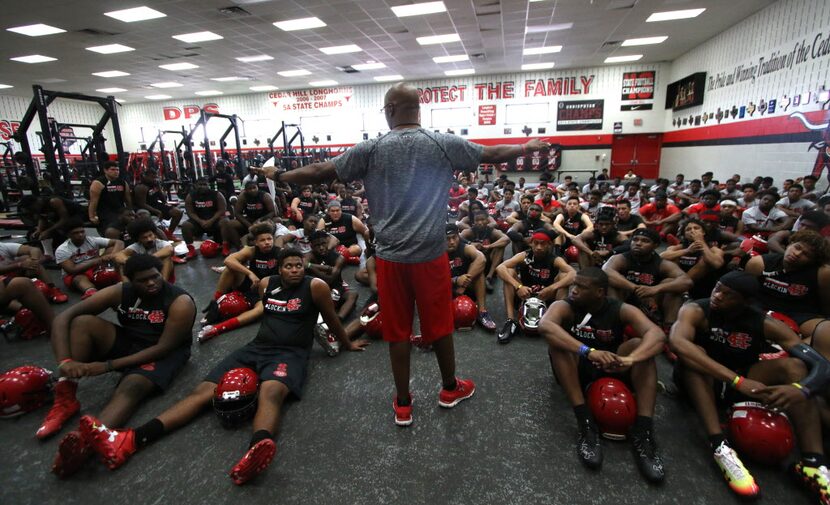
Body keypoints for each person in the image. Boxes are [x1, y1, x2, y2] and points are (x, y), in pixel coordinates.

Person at [257, 82, 552, 426]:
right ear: (417, 109)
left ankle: (403, 404)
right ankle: (448, 388)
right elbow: (492, 153)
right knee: (440, 327)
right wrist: (526, 146)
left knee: (398, 332)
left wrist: (279, 174)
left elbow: (320, 171)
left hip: (392, 260)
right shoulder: (443, 143)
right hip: (430, 258)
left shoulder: (371, 148)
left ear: (391, 110)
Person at [79, 249, 368, 485]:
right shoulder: (266, 285)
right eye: (289, 266)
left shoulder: (315, 287)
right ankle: (131, 439)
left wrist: (346, 342)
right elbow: (257, 314)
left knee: (270, 392)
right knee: (201, 393)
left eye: (298, 265)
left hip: (290, 354)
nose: (294, 270)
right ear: (279, 268)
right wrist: (219, 324)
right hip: (254, 348)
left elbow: (331, 319)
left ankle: (257, 448)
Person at [669, 271, 830, 502]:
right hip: (704, 382)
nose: (717, 296)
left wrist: (800, 388)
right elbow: (677, 342)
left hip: (744, 381)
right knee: (694, 356)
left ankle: (813, 464)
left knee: (795, 367)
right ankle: (719, 446)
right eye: (717, 288)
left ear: (744, 301)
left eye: (728, 294)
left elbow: (822, 365)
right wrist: (736, 381)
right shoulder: (696, 309)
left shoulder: (764, 322)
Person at [44, 254, 196, 477]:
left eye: (155, 277)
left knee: (131, 385)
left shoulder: (180, 302)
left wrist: (107, 366)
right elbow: (62, 318)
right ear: (131, 280)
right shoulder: (121, 291)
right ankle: (66, 394)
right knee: (82, 322)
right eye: (143, 280)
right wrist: (65, 362)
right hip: (131, 341)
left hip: (164, 353)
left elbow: (163, 348)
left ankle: (84, 443)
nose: (151, 283)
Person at [542, 268, 665, 482]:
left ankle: (644, 432)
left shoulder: (620, 309)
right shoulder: (564, 305)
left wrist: (631, 359)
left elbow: (657, 335)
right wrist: (588, 351)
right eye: (574, 285)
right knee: (557, 345)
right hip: (579, 367)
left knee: (639, 346)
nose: (574, 290)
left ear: (600, 292)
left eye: (581, 287)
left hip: (612, 365)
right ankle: (585, 423)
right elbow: (545, 325)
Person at [745, 230, 830, 357]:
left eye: (806, 254)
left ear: (813, 261)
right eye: (797, 247)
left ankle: (789, 352)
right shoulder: (759, 263)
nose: (797, 254)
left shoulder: (822, 273)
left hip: (799, 313)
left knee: (826, 331)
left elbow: (826, 305)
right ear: (790, 244)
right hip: (762, 309)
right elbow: (745, 295)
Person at [200, 222, 281, 341]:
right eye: (262, 240)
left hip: (264, 291)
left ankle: (217, 328)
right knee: (229, 269)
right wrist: (250, 273)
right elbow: (228, 260)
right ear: (256, 242)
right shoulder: (251, 250)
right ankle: (214, 304)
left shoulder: (279, 252)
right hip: (249, 284)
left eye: (269, 239)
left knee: (261, 310)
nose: (267, 242)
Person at [602, 228, 692, 329]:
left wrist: (656, 289)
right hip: (626, 300)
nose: (638, 243)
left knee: (671, 283)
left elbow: (687, 281)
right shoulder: (621, 258)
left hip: (652, 303)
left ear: (655, 245)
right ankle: (616, 324)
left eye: (645, 241)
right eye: (635, 239)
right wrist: (635, 288)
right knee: (612, 282)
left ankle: (668, 328)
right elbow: (606, 271)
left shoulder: (661, 263)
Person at [496, 231, 576, 343]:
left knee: (564, 276)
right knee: (508, 271)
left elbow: (573, 274)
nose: (539, 247)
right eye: (536, 243)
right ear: (531, 243)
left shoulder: (555, 259)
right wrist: (518, 286)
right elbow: (500, 268)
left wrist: (552, 288)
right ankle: (511, 321)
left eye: (543, 244)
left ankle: (557, 323)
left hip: (546, 296)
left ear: (549, 245)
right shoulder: (524, 255)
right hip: (525, 294)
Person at [55, 217, 125, 299]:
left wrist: (113, 255)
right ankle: (91, 291)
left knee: (111, 248)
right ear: (68, 235)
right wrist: (98, 260)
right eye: (76, 233)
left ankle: (121, 282)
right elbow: (71, 270)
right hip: (77, 274)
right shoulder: (62, 249)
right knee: (79, 278)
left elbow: (119, 242)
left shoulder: (92, 240)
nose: (80, 235)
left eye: (82, 231)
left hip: (96, 269)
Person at [445, 224, 495, 331]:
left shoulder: (466, 248)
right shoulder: (436, 253)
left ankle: (482, 312)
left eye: (454, 237)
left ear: (458, 236)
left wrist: (464, 283)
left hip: (463, 288)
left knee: (479, 272)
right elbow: (433, 281)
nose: (452, 242)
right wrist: (456, 280)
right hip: (446, 288)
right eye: (447, 239)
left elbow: (481, 258)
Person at [660, 219, 725, 299]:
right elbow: (661, 257)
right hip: (677, 282)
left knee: (705, 260)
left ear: (703, 232)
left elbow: (717, 264)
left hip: (702, 286)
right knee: (671, 259)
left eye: (696, 228)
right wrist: (687, 251)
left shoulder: (713, 249)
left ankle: (682, 284)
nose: (692, 231)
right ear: (684, 234)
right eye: (688, 229)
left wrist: (700, 242)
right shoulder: (678, 247)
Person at [305, 230, 358, 320]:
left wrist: (312, 267)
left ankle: (338, 319)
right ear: (312, 246)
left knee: (353, 295)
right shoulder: (310, 255)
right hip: (316, 290)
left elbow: (330, 279)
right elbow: (303, 264)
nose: (321, 248)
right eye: (317, 245)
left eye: (323, 243)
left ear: (328, 242)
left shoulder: (339, 258)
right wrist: (326, 268)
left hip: (335, 287)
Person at [221, 181, 277, 255]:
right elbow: (237, 213)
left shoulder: (265, 195)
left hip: (264, 219)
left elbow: (273, 212)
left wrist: (260, 220)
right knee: (230, 224)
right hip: (249, 220)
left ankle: (272, 247)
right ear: (246, 190)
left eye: (254, 188)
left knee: (277, 221)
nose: (252, 190)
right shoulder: (243, 196)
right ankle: (240, 248)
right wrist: (249, 225)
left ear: (257, 187)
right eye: (249, 189)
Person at [0, 241, 66, 302]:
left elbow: (34, 249)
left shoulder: (3, 246)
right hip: (2, 280)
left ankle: (52, 289)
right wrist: (19, 265)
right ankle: (19, 307)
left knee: (30, 262)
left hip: (12, 274)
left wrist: (33, 261)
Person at [460, 211, 510, 291]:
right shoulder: (470, 231)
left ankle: (489, 277)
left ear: (487, 221)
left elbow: (506, 239)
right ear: (473, 222)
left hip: (489, 259)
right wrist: (471, 243)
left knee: (500, 247)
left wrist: (489, 246)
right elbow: (458, 237)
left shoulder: (492, 231)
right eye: (477, 220)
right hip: (475, 260)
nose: (480, 222)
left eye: (482, 219)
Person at [181, 178, 228, 259]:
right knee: (185, 225)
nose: (202, 186)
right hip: (199, 222)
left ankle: (225, 247)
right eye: (200, 184)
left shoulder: (217, 194)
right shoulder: (191, 196)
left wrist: (211, 220)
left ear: (208, 185)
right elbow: (190, 212)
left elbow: (222, 210)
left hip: (214, 221)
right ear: (195, 185)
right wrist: (200, 221)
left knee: (225, 221)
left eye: (205, 184)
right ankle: (191, 251)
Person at [133, 168, 183, 241]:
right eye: (152, 177)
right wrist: (157, 211)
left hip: (155, 204)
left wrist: (166, 203)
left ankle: (169, 234)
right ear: (145, 176)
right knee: (145, 216)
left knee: (178, 212)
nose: (154, 179)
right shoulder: (141, 187)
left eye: (155, 177)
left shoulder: (155, 184)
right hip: (144, 207)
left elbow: (161, 196)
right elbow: (142, 204)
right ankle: (152, 236)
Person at [88, 161, 132, 238]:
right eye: (112, 169)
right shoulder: (98, 183)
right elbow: (93, 202)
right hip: (105, 212)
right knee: (116, 223)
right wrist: (92, 216)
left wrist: (131, 211)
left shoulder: (122, 182)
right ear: (105, 170)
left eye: (117, 170)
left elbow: (128, 199)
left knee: (137, 219)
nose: (116, 172)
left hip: (120, 210)